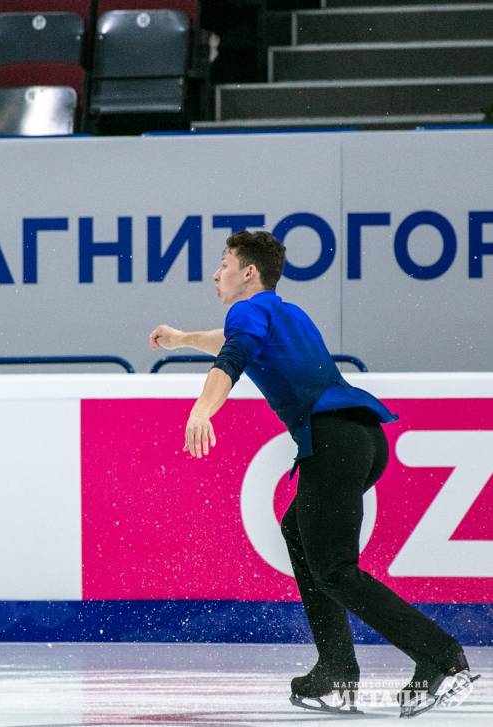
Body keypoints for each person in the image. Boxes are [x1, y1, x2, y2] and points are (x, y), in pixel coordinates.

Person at [149, 230, 478, 718]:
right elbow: (233, 339)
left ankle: (441, 658)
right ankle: (336, 671)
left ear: (249, 272)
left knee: (335, 569)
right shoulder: (284, 312)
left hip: (332, 441)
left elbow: (233, 355)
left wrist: (201, 409)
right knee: (298, 533)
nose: (216, 274)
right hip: (361, 439)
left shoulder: (246, 312)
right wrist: (181, 339)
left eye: (223, 264)